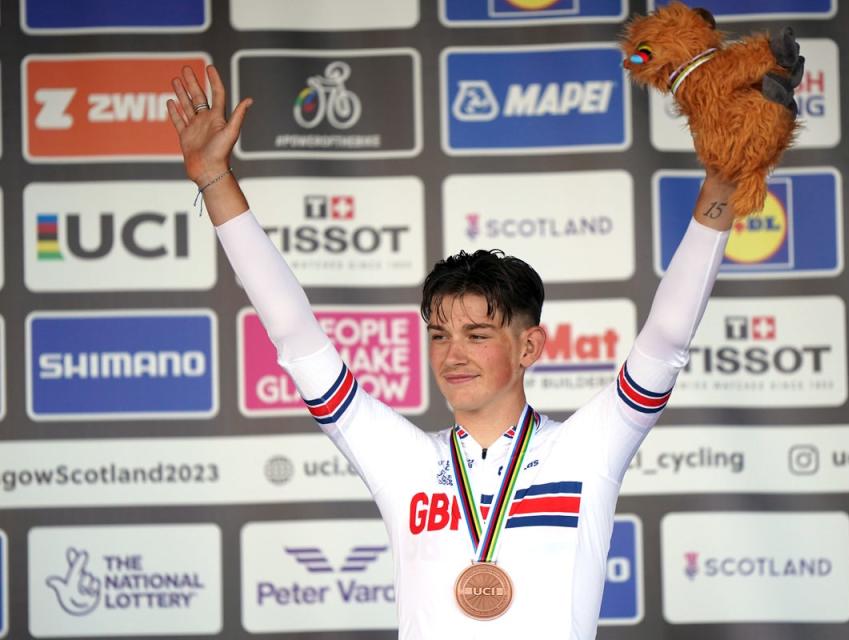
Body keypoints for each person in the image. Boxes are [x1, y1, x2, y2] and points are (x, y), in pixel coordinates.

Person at [168, 64, 740, 639]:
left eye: (478, 334)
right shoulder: (405, 461)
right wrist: (215, 180)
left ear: (529, 346)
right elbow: (296, 337)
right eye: (439, 335)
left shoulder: (586, 449)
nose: (452, 354)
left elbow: (666, 339)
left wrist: (721, 182)